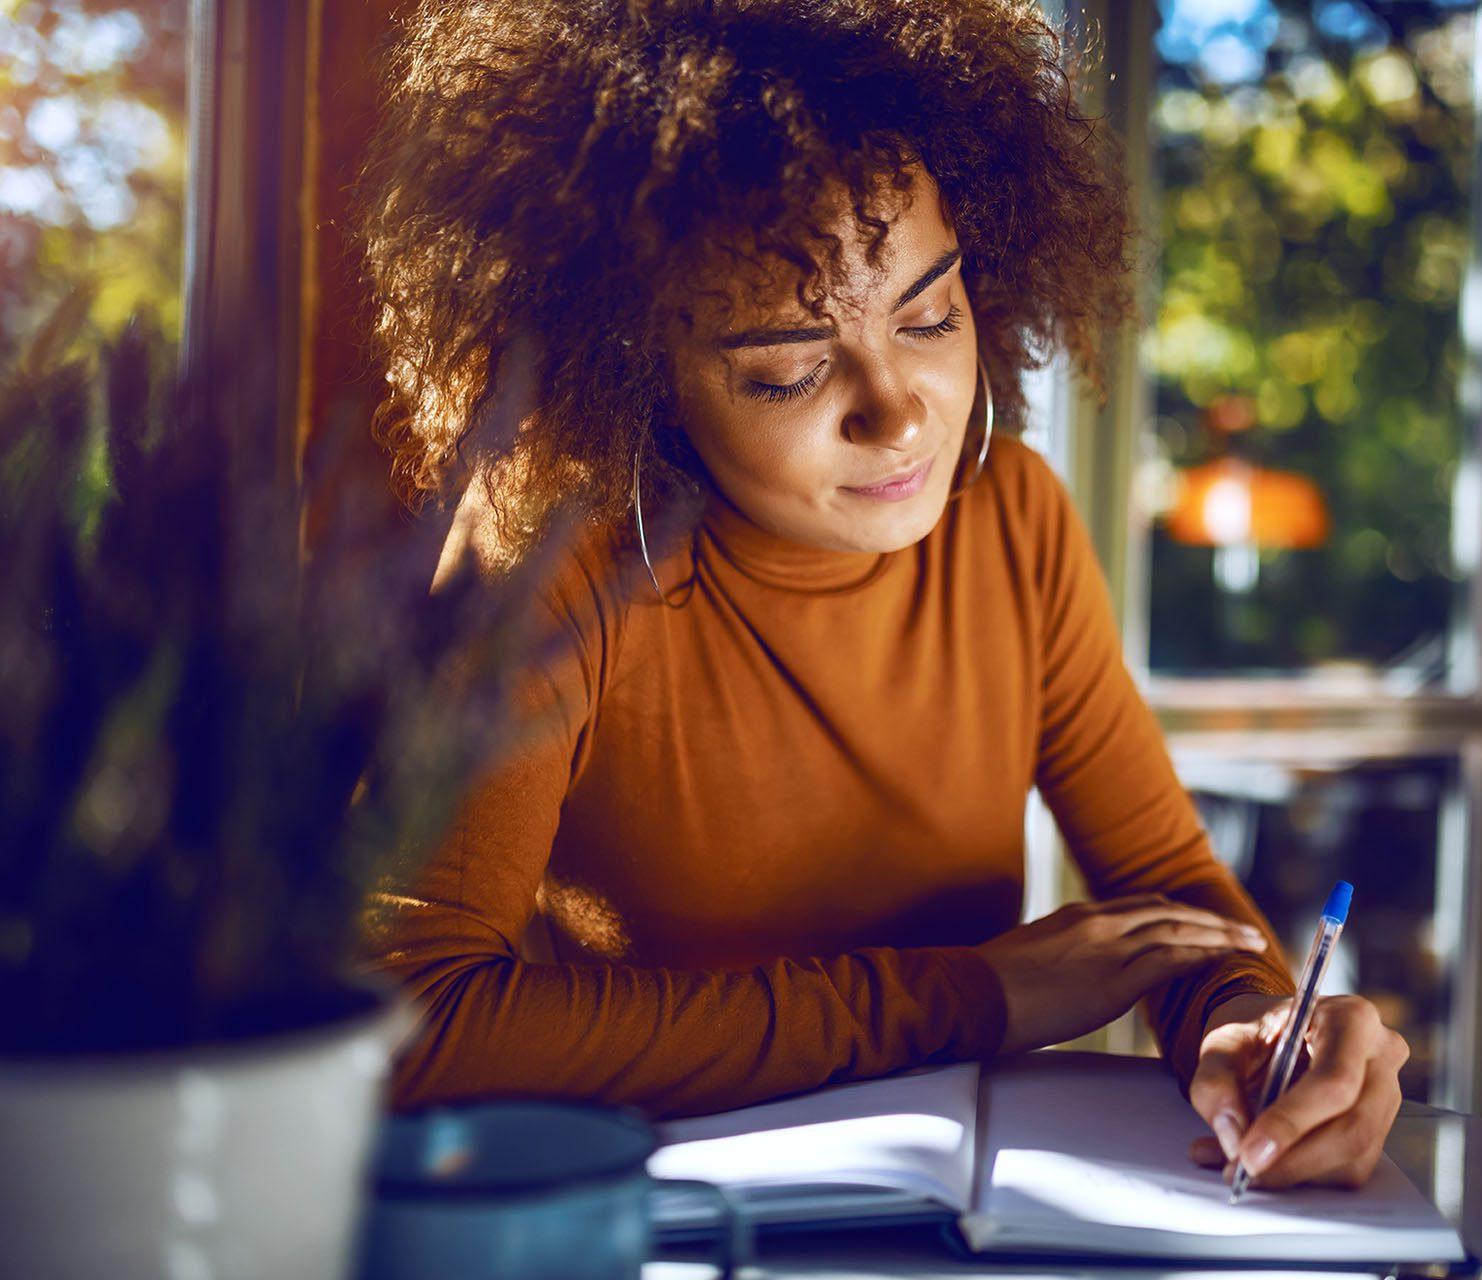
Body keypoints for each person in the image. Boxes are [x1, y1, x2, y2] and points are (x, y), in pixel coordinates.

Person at [357, 0, 1409, 1193]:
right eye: (791, 368)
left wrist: (1254, 1023)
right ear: (638, 378)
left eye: (930, 314)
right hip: (637, 1221)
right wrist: (968, 995)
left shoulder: (1012, 515)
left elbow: (1164, 888)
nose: (899, 408)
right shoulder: (553, 555)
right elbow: (409, 1014)